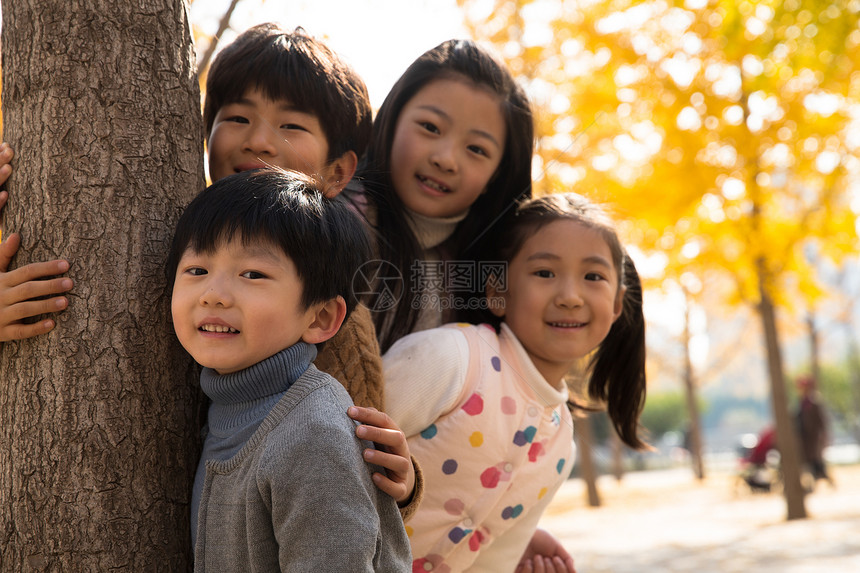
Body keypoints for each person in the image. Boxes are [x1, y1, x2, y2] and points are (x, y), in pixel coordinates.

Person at [0, 23, 419, 512]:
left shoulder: (331, 314)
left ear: (339, 171)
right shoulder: (164, 216)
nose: (259, 140)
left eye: (291, 126)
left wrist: (403, 483)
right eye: (237, 117)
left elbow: (364, 473)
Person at [381, 193, 648, 572]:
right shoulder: (451, 359)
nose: (570, 297)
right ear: (497, 291)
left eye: (593, 276)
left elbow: (491, 564)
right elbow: (332, 448)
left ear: (618, 304)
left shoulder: (559, 448)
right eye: (544, 273)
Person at [167, 167, 411, 570]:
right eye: (197, 270)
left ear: (319, 318)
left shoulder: (312, 436)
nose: (213, 295)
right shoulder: (226, 404)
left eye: (253, 274)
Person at [343, 38, 534, 353]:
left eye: (476, 149)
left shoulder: (490, 271)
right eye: (430, 127)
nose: (446, 159)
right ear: (392, 120)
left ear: (495, 177)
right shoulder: (330, 224)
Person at [795, 374, 834, 488]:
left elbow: (822, 421)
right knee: (809, 464)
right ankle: (810, 485)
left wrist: (824, 437)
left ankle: (825, 482)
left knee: (816, 464)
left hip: (814, 439)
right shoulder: (802, 402)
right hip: (805, 439)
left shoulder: (814, 402)